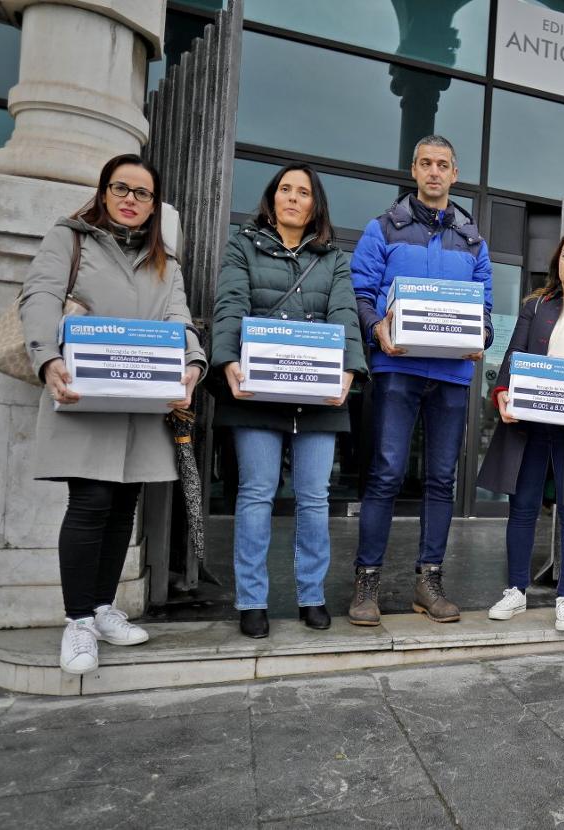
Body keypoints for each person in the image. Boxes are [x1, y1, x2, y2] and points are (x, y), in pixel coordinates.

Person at [19, 154, 205, 675]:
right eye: (121, 189)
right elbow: (39, 295)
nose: (130, 199)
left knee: (124, 503)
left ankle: (102, 608)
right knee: (91, 500)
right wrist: (46, 356)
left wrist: (192, 363)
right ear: (104, 193)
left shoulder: (166, 262)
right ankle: (77, 620)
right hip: (84, 397)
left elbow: (179, 318)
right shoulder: (70, 239)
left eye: (142, 193)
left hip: (142, 405)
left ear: (153, 205)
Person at [210, 163, 366, 639]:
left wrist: (349, 368)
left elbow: (344, 312)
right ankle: (252, 600)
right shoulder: (243, 245)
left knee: (315, 499)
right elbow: (230, 303)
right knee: (256, 495)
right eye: (285, 190)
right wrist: (226, 360)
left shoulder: (334, 259)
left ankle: (311, 595)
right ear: (272, 198)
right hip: (256, 391)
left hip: (317, 396)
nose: (293, 198)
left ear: (315, 204)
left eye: (303, 192)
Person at [348, 134, 492, 626]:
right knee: (386, 473)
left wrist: (483, 336)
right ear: (413, 170)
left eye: (444, 165)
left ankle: (428, 580)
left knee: (441, 479)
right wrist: (377, 328)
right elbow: (361, 295)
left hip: (452, 373)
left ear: (455, 174)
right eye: (427, 163)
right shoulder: (382, 229)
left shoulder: (473, 238)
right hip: (397, 367)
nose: (435, 172)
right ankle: (366, 579)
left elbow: (485, 307)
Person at [477, 230, 564, 633]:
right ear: (558, 260)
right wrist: (502, 392)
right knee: (522, 507)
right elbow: (512, 356)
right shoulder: (535, 306)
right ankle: (516, 591)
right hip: (530, 424)